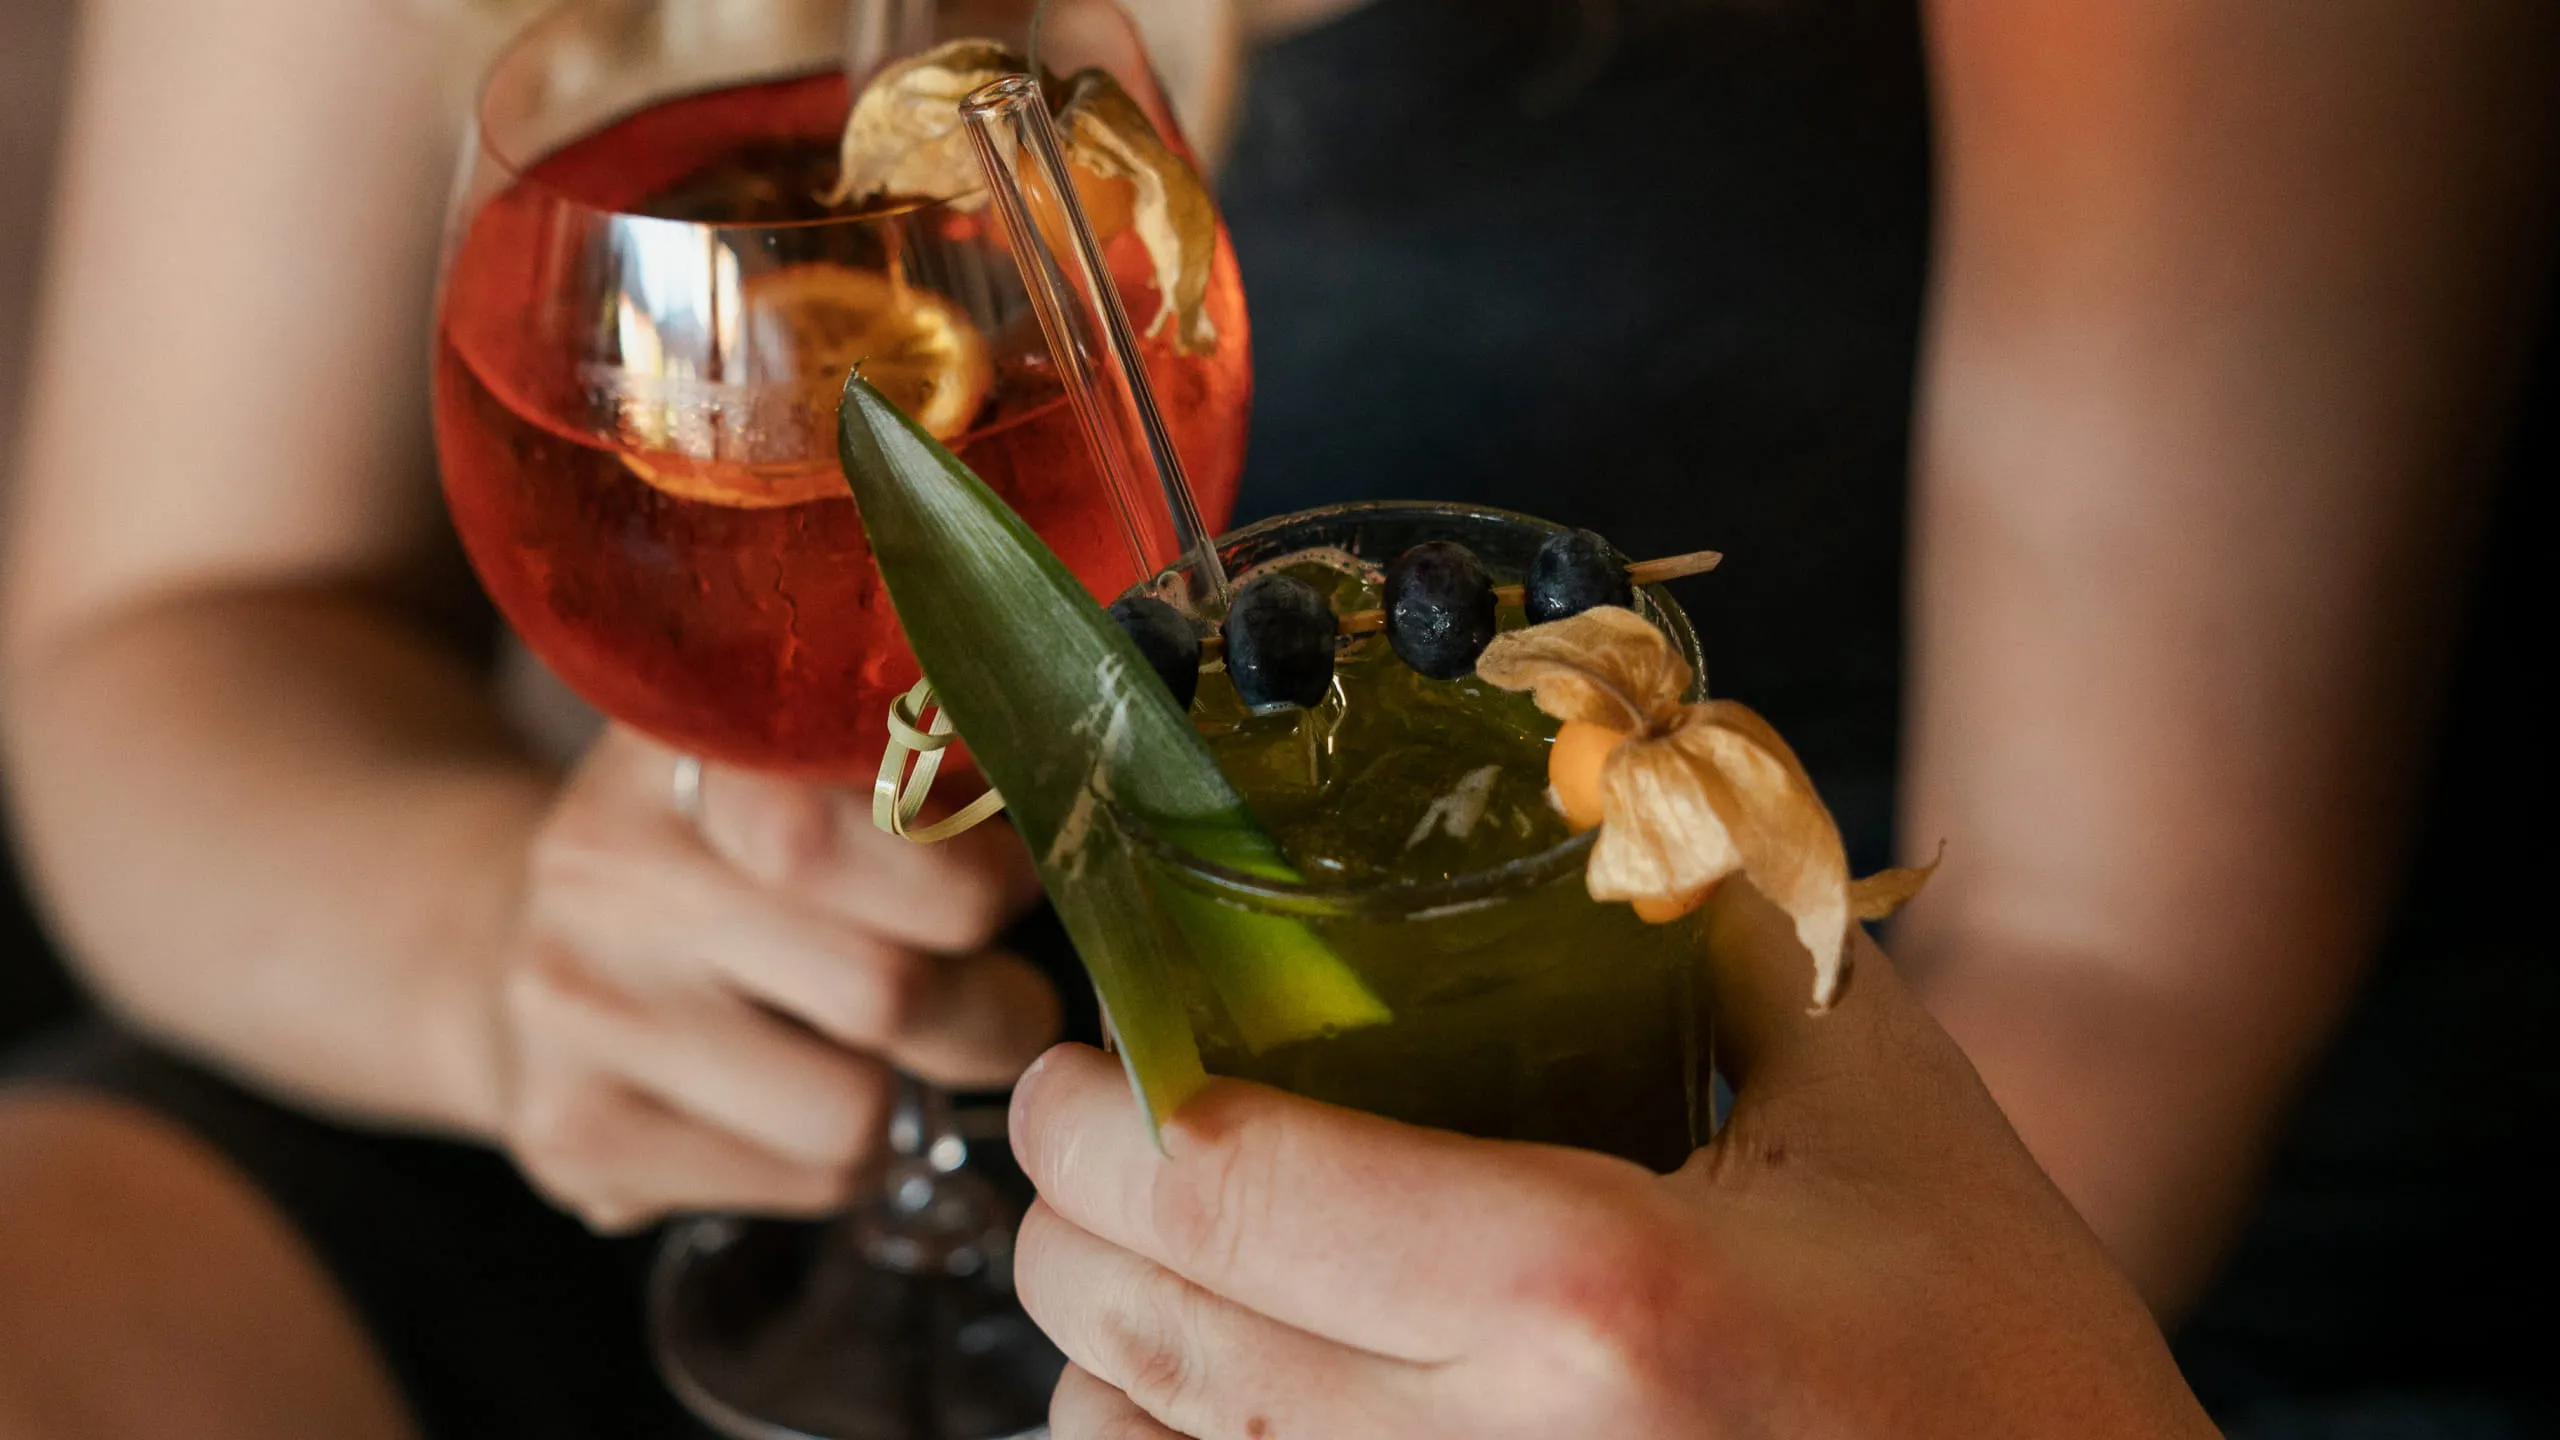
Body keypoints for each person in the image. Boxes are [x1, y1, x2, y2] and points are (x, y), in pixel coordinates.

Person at [1, 0, 2553, 1437]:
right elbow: (163, 634)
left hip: (1740, 1168)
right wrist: (480, 953)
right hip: (764, 1163)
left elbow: (2120, 962)